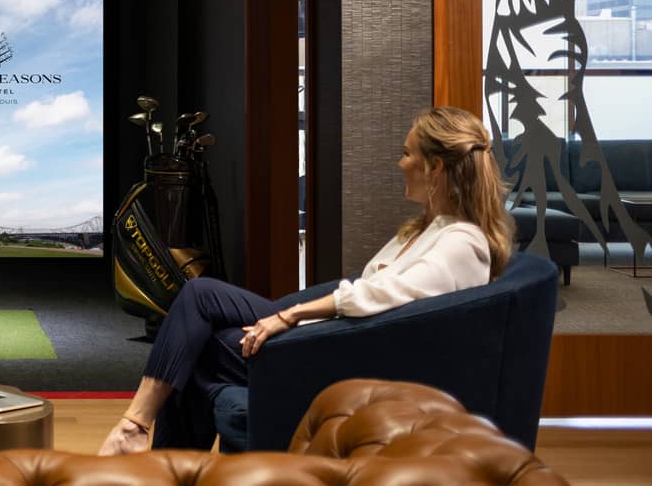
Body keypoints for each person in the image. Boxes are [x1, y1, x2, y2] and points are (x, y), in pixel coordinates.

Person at [98, 105, 515, 455]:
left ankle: (145, 441)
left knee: (201, 343)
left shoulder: (462, 243)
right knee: (200, 295)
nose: (399, 162)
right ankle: (140, 434)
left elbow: (384, 295)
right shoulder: (429, 229)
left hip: (342, 354)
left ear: (436, 167)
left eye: (407, 153)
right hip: (338, 334)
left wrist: (290, 316)